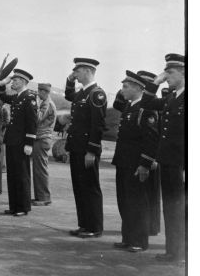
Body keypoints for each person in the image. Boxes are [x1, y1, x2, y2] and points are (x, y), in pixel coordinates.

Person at [141, 53, 186, 263]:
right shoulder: (172, 97)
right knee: (170, 207)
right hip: (168, 161)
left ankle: (182, 254)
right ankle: (172, 251)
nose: (165, 76)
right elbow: (147, 102)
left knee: (181, 208)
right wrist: (155, 83)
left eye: (170, 72)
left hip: (181, 163)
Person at [112, 71, 159, 253]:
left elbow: (151, 139)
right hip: (124, 161)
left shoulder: (146, 109)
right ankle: (128, 238)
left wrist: (144, 164)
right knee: (124, 201)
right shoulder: (129, 107)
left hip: (136, 164)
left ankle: (139, 241)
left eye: (126, 87)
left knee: (138, 202)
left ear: (139, 88)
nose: (122, 90)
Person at [64, 58, 107, 238]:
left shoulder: (96, 94)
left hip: (87, 149)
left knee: (90, 187)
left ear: (88, 71)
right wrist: (69, 81)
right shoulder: (83, 93)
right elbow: (69, 95)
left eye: (78, 71)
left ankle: (94, 227)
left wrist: (92, 151)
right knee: (79, 187)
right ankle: (84, 224)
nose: (76, 74)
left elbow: (97, 126)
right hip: (77, 147)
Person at [0, 68, 38, 216]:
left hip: (22, 143)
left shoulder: (29, 98)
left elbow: (32, 122)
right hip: (13, 141)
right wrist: (3, 83)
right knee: (13, 175)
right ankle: (14, 205)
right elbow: (1, 96)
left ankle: (23, 207)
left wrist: (29, 143)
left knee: (22, 175)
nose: (12, 82)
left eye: (15, 80)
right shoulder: (17, 97)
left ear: (22, 81)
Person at [137, 70, 163, 236]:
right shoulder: (144, 105)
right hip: (146, 154)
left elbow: (153, 135)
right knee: (146, 192)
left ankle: (152, 227)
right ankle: (150, 226)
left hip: (152, 156)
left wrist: (150, 158)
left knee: (151, 194)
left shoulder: (152, 108)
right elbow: (119, 103)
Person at [32, 83, 57, 206]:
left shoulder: (47, 103)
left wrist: (35, 104)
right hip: (42, 139)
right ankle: (40, 196)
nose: (38, 93)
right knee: (38, 169)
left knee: (40, 169)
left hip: (42, 139)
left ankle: (44, 197)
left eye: (39, 91)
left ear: (45, 92)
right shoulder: (46, 102)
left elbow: (38, 118)